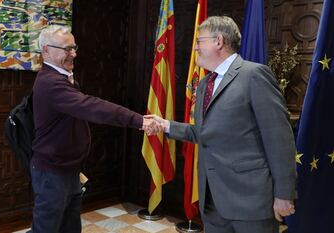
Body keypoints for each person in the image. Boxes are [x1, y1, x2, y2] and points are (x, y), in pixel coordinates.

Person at [146, 16, 296, 233]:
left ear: (218, 41)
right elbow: (203, 133)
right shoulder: (205, 83)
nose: (195, 47)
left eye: (199, 41)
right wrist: (166, 125)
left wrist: (284, 193)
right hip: (212, 200)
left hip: (250, 202)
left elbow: (279, 138)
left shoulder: (253, 75)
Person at [29, 25, 156, 233]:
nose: (74, 54)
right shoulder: (51, 83)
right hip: (52, 172)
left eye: (74, 47)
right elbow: (92, 106)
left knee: (69, 228)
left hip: (68, 169)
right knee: (46, 229)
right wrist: (138, 120)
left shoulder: (63, 77)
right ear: (46, 51)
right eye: (67, 49)